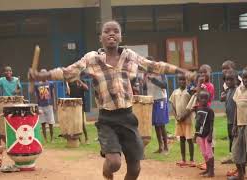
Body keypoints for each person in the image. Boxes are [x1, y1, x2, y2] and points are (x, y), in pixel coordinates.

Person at [28, 20, 194, 180]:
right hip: (107, 119)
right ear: (100, 37)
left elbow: (154, 66)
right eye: (107, 31)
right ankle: (107, 171)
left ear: (121, 37)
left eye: (116, 31)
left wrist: (181, 70)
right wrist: (42, 75)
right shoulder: (91, 58)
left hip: (128, 117)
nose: (111, 34)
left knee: (135, 169)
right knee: (114, 163)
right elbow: (68, 72)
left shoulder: (130, 56)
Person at [228, 67, 247, 180]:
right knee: (236, 151)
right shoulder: (239, 90)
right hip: (239, 125)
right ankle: (240, 175)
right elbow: (237, 109)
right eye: (244, 77)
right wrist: (234, 125)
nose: (245, 79)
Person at [169, 73, 195, 167]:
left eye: (184, 80)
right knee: (182, 139)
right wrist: (176, 116)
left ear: (187, 81)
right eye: (180, 79)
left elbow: (191, 106)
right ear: (178, 81)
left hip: (187, 120)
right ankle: (183, 159)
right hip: (178, 120)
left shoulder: (189, 92)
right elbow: (172, 104)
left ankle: (192, 160)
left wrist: (184, 116)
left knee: (189, 139)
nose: (182, 81)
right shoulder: (175, 92)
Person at [145, 71, 169, 154]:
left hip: (160, 100)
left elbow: (165, 85)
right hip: (152, 100)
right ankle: (160, 147)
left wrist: (153, 79)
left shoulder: (161, 74)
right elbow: (145, 88)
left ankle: (166, 147)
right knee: (156, 124)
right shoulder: (146, 74)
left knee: (161, 124)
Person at [194, 90, 215, 177]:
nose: (203, 100)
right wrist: (195, 135)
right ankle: (207, 169)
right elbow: (198, 123)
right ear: (198, 99)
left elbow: (211, 124)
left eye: (205, 98)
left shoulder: (210, 111)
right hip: (200, 135)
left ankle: (211, 172)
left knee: (209, 152)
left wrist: (210, 135)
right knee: (204, 153)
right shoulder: (198, 109)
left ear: (209, 99)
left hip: (207, 135)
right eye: (201, 98)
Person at [220, 70, 238, 167]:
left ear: (236, 80)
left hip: (237, 122)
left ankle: (239, 165)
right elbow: (224, 100)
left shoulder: (237, 91)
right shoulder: (228, 91)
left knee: (237, 143)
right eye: (227, 80)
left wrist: (236, 123)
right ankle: (233, 159)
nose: (228, 82)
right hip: (229, 121)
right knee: (231, 140)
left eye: (231, 80)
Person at [35, 69, 56, 143]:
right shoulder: (37, 85)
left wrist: (54, 104)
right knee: (43, 123)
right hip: (41, 106)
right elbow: (37, 96)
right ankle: (45, 139)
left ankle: (52, 138)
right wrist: (37, 106)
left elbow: (53, 94)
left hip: (49, 105)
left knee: (50, 123)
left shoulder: (50, 83)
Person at [66, 78, 89, 144]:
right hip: (73, 105)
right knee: (75, 123)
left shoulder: (82, 81)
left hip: (80, 105)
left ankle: (86, 138)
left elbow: (87, 89)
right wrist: (67, 84)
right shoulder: (71, 83)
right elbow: (68, 93)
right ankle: (78, 139)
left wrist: (80, 81)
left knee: (81, 122)